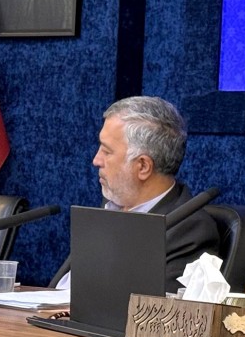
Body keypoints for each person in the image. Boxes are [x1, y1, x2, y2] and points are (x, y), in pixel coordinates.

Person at [54, 96, 219, 293]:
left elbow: (151, 308)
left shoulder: (189, 232)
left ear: (142, 166)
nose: (96, 160)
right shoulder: (109, 208)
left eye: (107, 151)